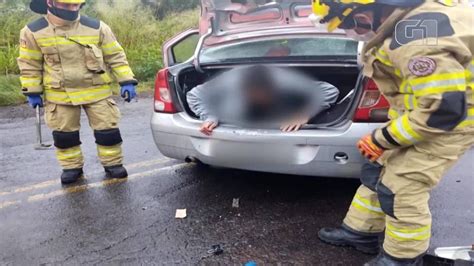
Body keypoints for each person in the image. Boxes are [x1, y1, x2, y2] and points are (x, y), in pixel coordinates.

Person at [312, 0, 474, 265]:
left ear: (365, 13)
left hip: (452, 124)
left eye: (348, 24)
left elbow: (443, 109)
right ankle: (360, 232)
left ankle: (402, 257)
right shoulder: (405, 22)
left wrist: (382, 138)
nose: (350, 31)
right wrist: (385, 141)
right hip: (420, 116)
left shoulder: (419, 39)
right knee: (377, 170)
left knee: (403, 187)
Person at [18, 0, 138, 184]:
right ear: (50, 2)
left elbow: (115, 56)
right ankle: (72, 167)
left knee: (108, 131)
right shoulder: (33, 31)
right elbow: (29, 64)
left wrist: (126, 80)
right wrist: (32, 90)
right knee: (64, 135)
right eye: (67, 6)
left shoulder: (97, 27)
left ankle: (113, 164)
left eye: (76, 5)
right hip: (60, 94)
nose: (73, 9)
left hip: (96, 89)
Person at [186, 65, 339, 135]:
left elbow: (330, 90)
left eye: (263, 96)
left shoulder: (285, 80)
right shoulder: (230, 81)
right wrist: (209, 116)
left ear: (273, 89)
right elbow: (194, 95)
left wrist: (305, 114)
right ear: (243, 90)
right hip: (236, 117)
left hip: (279, 113)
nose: (259, 99)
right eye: (253, 96)